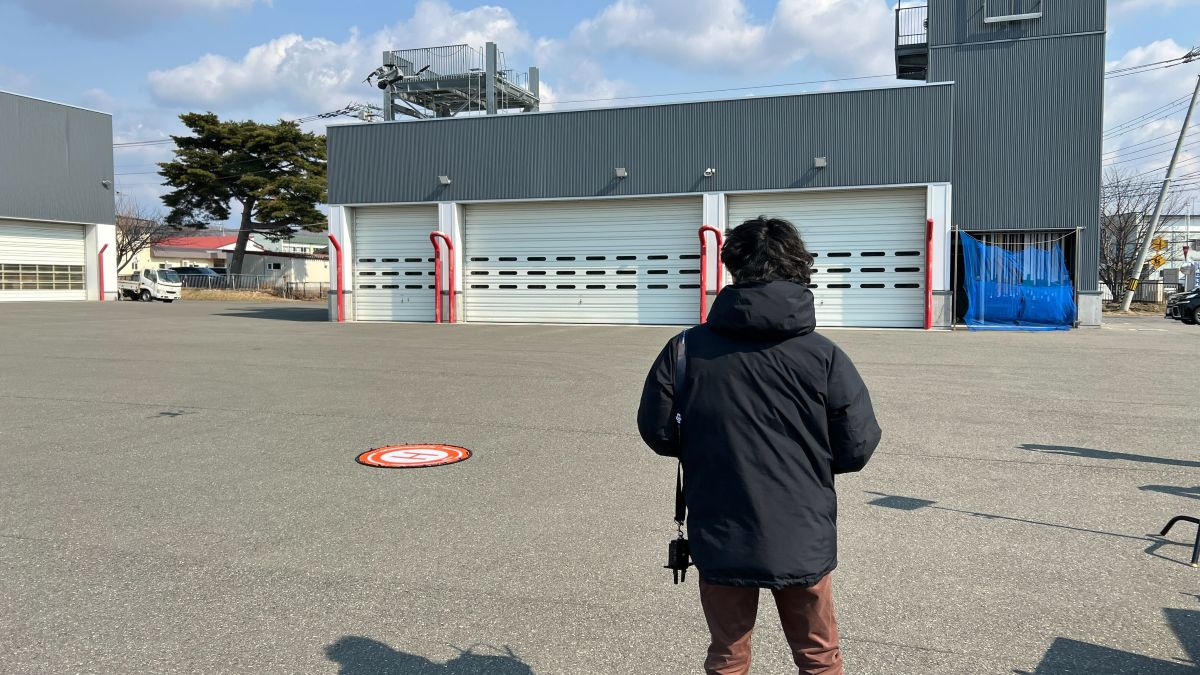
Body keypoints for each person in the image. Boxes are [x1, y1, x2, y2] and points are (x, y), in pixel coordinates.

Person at [637, 216, 881, 675]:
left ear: (733, 266)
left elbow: (660, 433)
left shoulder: (685, 350)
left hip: (720, 526)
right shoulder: (824, 355)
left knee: (727, 655)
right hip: (801, 529)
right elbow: (856, 446)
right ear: (797, 267)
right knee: (818, 656)